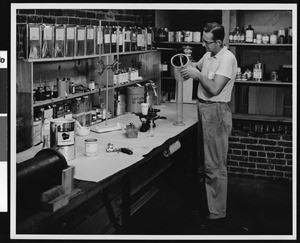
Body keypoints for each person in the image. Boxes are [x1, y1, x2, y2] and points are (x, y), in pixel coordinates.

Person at [180, 22, 237, 227]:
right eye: (202, 41)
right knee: (204, 162)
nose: (203, 45)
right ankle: (207, 206)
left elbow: (213, 88)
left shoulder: (227, 59)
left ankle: (216, 214)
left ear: (219, 42)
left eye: (207, 42)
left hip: (216, 111)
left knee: (215, 164)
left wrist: (197, 75)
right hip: (203, 109)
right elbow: (195, 66)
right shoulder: (209, 55)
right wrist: (186, 63)